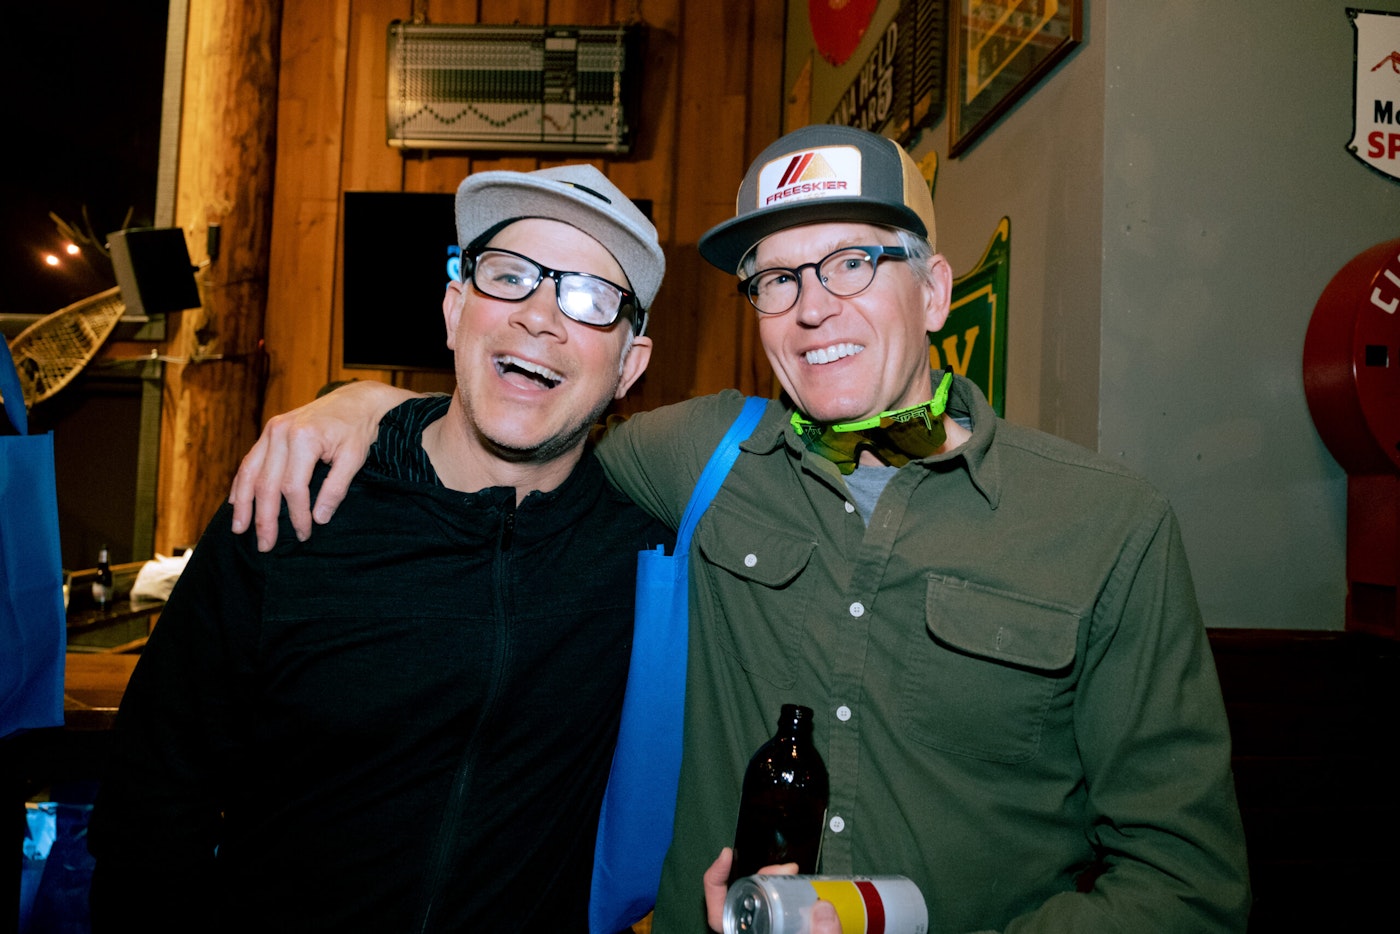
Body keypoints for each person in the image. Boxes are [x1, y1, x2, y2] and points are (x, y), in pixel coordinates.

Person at [230, 125, 1252, 933]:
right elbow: (527, 423)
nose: (812, 307)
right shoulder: (701, 455)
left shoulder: (1106, 526)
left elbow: (1185, 885)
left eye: (851, 262)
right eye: (776, 278)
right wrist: (368, 406)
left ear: (934, 290)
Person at [86, 164, 676, 932]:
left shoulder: (647, 557)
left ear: (630, 366)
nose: (539, 316)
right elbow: (152, 803)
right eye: (510, 276)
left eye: (592, 299)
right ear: (454, 311)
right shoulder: (291, 502)